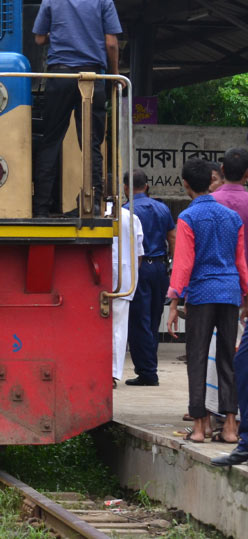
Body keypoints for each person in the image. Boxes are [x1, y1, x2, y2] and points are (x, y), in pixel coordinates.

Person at [30, 0, 123, 216]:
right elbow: (112, 43)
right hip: (92, 79)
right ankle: (93, 202)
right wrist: (114, 76)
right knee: (92, 142)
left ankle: (41, 207)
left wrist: (58, 35)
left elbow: (38, 39)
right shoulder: (103, 0)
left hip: (59, 77)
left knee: (51, 140)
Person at [166, 158, 248, 445]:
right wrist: (246, 294)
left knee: (198, 358)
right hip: (229, 293)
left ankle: (201, 427)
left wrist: (175, 300)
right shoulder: (231, 218)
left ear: (185, 184)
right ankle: (229, 427)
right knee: (228, 359)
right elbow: (241, 262)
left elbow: (184, 263)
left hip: (201, 294)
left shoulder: (188, 217)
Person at [123, 170, 176, 387]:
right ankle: (149, 366)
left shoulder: (126, 211)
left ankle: (147, 372)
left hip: (140, 268)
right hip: (160, 269)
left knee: (138, 321)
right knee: (154, 320)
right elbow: (172, 237)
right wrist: (172, 264)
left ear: (126, 188)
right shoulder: (162, 208)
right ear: (146, 186)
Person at [111, 201, 143, 387]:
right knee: (118, 328)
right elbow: (139, 253)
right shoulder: (131, 217)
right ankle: (113, 373)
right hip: (124, 278)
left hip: (96, 275)